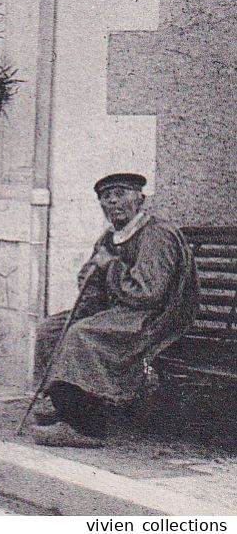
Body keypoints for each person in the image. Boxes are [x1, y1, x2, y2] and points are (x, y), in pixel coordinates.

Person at [30, 172, 199, 448]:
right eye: (106, 198)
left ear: (139, 199)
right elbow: (95, 274)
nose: (112, 203)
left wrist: (110, 268)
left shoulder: (157, 234)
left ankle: (86, 427)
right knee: (51, 329)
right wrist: (90, 277)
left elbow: (148, 292)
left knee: (82, 335)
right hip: (123, 311)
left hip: (154, 318)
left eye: (120, 194)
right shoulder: (111, 236)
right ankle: (65, 404)